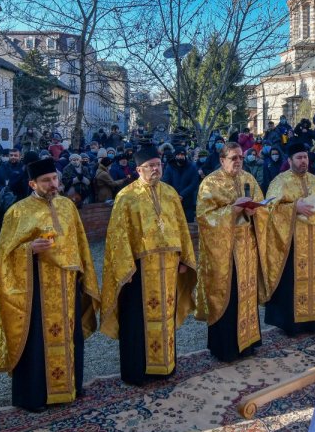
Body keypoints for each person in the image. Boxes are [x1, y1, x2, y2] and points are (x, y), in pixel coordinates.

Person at [0, 157, 100, 410]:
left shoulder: (67, 206)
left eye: (55, 179)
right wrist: (29, 249)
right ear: (33, 183)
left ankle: (70, 386)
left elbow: (81, 243)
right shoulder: (18, 211)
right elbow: (4, 257)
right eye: (46, 181)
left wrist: (85, 273)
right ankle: (35, 396)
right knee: (37, 341)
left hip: (67, 283)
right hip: (36, 288)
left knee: (70, 336)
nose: (53, 184)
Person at [101, 146, 197, 385]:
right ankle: (137, 372)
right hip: (138, 270)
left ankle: (164, 367)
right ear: (138, 170)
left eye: (158, 164)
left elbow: (181, 227)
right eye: (150, 166)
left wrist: (184, 259)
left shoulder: (170, 193)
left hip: (169, 266)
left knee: (165, 317)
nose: (156, 169)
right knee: (137, 320)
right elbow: (117, 236)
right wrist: (125, 269)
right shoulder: (126, 196)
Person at [259, 141, 315, 335]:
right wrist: (294, 207)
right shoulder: (280, 181)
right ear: (290, 160)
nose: (303, 161)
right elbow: (269, 209)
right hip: (292, 243)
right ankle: (293, 325)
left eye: (305, 158)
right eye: (299, 158)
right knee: (293, 283)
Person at [195, 142, 265, 361]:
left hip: (246, 248)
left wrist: (257, 212)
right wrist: (232, 211)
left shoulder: (248, 179)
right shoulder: (210, 183)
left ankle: (248, 343)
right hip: (223, 252)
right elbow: (205, 217)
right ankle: (225, 348)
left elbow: (263, 206)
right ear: (222, 160)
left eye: (240, 157)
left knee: (247, 293)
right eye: (233, 158)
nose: (238, 161)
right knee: (228, 294)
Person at [163, 147, 200, 222]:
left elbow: (194, 183)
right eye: (178, 155)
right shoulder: (170, 167)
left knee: (189, 224)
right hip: (173, 200)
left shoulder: (192, 167)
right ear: (175, 156)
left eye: (182, 155)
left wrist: (182, 195)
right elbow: (166, 182)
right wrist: (175, 194)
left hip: (188, 201)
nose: (180, 156)